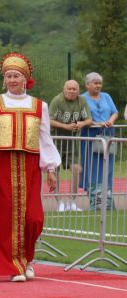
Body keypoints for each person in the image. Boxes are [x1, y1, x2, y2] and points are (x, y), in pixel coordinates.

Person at [0, 53, 60, 282]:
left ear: (25, 78)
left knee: (33, 217)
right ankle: (14, 265)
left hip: (29, 167)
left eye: (16, 76)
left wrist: (51, 168)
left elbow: (45, 139)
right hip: (2, 166)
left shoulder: (40, 106)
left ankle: (27, 259)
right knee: (5, 217)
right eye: (8, 76)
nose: (12, 80)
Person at [48, 80, 92, 212]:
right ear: (64, 89)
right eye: (69, 89)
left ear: (78, 90)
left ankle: (72, 201)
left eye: (74, 89)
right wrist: (65, 126)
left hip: (73, 141)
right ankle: (59, 202)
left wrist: (81, 124)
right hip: (56, 141)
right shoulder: (57, 100)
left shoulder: (82, 100)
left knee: (76, 169)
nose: (72, 91)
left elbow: (89, 119)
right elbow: (49, 120)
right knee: (55, 171)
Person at [80, 72, 118, 211]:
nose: (98, 85)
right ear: (87, 84)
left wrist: (110, 121)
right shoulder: (82, 98)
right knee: (92, 167)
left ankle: (108, 202)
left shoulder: (106, 96)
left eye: (99, 83)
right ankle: (95, 202)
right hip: (91, 135)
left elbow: (114, 112)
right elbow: (81, 116)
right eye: (95, 83)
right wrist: (96, 123)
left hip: (107, 135)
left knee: (107, 166)